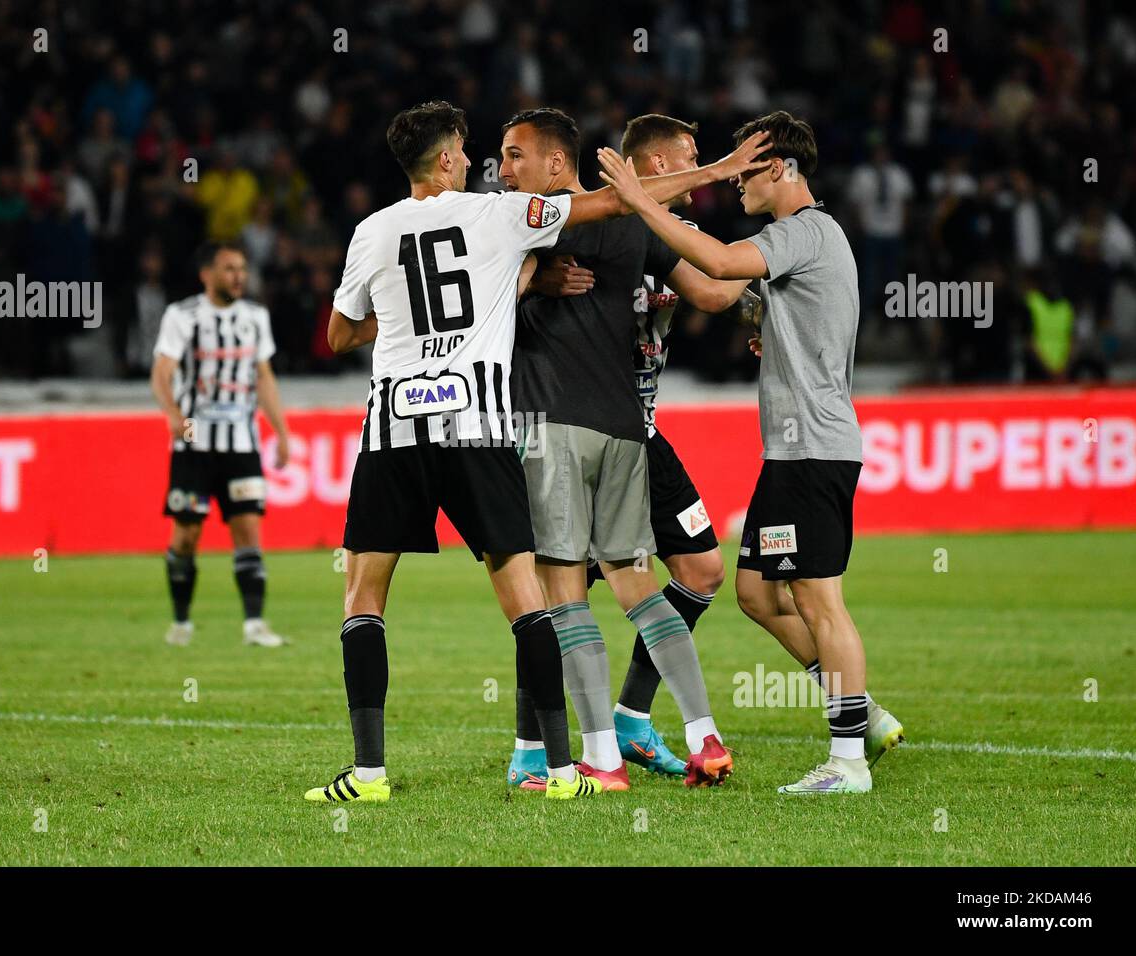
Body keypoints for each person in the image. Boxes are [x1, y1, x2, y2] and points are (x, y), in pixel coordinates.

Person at [307, 100, 751, 803]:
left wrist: (428, 314)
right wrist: (722, 172)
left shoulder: (372, 230)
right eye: (478, 151)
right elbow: (609, 205)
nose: (495, 165)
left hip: (396, 429)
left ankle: (370, 774)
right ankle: (571, 764)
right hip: (485, 427)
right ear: (450, 158)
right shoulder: (497, 217)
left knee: (366, 597)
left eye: (513, 154)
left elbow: (337, 336)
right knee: (532, 603)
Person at [597, 110, 905, 794]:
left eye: (742, 170)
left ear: (775, 168)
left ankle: (850, 758)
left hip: (812, 448)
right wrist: (773, 325)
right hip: (791, 452)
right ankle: (863, 714)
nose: (733, 183)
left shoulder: (803, 231)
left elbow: (720, 265)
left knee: (821, 600)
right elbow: (738, 296)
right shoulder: (800, 241)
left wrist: (641, 199)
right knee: (756, 594)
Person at [501, 108, 767, 791]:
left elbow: (714, 289)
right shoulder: (594, 219)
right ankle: (685, 733)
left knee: (560, 594)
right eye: (690, 155)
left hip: (572, 425)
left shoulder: (632, 228)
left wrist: (774, 256)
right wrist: (536, 279)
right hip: (623, 426)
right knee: (629, 586)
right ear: (648, 167)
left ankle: (603, 752)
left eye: (512, 156)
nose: (503, 171)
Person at [149, 242, 292, 649]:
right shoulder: (183, 315)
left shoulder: (255, 317)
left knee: (248, 529)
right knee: (186, 535)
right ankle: (181, 623)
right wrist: (173, 414)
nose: (238, 276)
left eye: (242, 268)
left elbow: (263, 376)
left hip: (242, 443)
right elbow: (162, 371)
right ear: (206, 274)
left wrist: (280, 431)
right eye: (229, 268)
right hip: (194, 443)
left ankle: (254, 625)